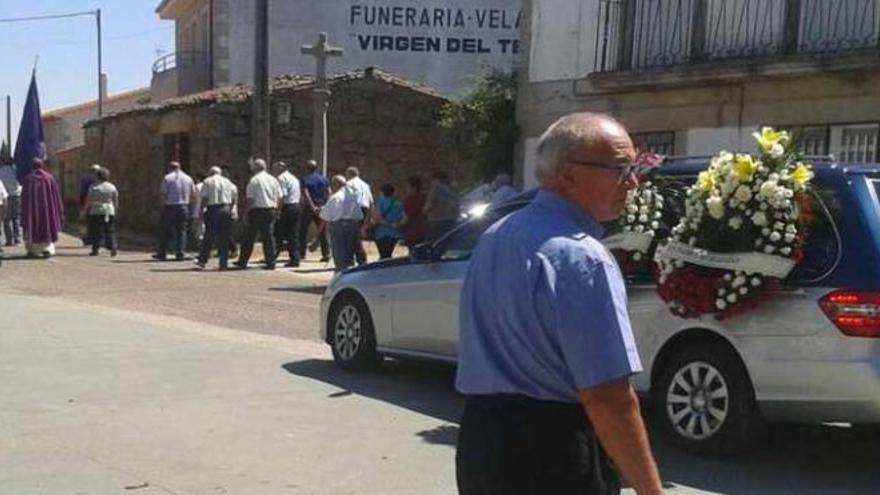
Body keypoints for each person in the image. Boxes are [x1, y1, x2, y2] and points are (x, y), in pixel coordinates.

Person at [455, 112, 663, 495]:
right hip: (551, 451)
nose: (633, 182)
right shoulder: (582, 257)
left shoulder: (498, 235)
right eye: (620, 168)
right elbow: (608, 397)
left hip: (482, 441)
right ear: (568, 175)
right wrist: (651, 491)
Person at [235, 158, 283, 270]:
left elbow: (250, 199)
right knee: (269, 238)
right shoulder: (273, 180)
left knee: (249, 237)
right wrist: (277, 210)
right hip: (270, 209)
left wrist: (245, 213)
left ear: (256, 168)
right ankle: (271, 261)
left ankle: (243, 261)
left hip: (257, 211)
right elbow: (280, 197)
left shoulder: (254, 180)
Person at [313, 175, 363, 271]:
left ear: (336, 184)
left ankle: (341, 273)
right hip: (352, 225)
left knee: (339, 253)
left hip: (338, 226)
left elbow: (325, 218)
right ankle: (349, 271)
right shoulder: (353, 197)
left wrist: (317, 236)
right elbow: (359, 215)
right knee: (349, 253)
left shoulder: (335, 197)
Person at [195, 166, 238, 270]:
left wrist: (201, 212)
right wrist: (231, 209)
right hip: (226, 208)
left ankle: (203, 260)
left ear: (210, 173)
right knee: (224, 236)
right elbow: (234, 198)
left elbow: (205, 198)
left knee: (209, 236)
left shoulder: (207, 181)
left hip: (213, 209)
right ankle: (223, 263)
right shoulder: (228, 182)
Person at [21, 158, 64, 258]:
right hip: (47, 211)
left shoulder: (28, 179)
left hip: (32, 212)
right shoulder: (49, 178)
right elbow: (56, 196)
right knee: (47, 227)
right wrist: (57, 209)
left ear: (32, 166)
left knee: (32, 227)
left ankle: (33, 251)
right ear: (42, 166)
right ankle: (47, 250)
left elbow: (24, 198)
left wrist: (24, 211)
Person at [153, 161, 195, 261]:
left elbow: (163, 194)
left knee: (164, 230)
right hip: (184, 206)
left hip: (170, 206)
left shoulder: (167, 178)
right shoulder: (188, 178)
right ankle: (180, 252)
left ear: (169, 168)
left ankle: (162, 253)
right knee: (181, 231)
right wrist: (189, 205)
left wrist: (162, 206)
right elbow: (193, 194)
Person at [299, 160, 331, 262]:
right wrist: (326, 206)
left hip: (309, 208)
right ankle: (326, 254)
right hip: (322, 207)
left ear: (307, 169)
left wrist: (312, 206)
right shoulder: (324, 179)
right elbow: (329, 192)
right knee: (322, 230)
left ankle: (301, 253)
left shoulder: (305, 179)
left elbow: (306, 193)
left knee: (303, 230)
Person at [84, 167, 119, 257]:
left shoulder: (94, 186)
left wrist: (85, 209)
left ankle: (95, 249)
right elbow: (115, 200)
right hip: (109, 210)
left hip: (96, 210)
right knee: (109, 230)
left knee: (96, 231)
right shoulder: (112, 186)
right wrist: (114, 209)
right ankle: (113, 246)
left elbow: (89, 199)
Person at [274, 161, 302, 268]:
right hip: (296, 206)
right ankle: (295, 258)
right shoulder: (294, 178)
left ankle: (272, 256)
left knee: (279, 233)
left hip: (287, 207)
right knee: (293, 234)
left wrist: (278, 210)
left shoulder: (281, 178)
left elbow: (282, 195)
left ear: (280, 168)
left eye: (275, 168)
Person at [344, 166, 373, 265]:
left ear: (349, 174)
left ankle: (357, 259)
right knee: (357, 236)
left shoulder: (349, 184)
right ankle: (360, 259)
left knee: (351, 237)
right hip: (364, 210)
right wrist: (368, 219)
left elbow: (346, 200)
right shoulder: (365, 185)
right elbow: (370, 202)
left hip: (354, 210)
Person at [423, 170, 459, 241]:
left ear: (436, 179)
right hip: (451, 220)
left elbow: (430, 204)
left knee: (435, 242)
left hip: (437, 221)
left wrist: (424, 210)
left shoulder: (436, 188)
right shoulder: (450, 189)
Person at [373, 183, 405, 259]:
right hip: (395, 234)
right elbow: (405, 218)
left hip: (382, 234)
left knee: (383, 256)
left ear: (382, 192)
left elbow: (378, 218)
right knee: (388, 254)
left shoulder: (380, 202)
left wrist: (389, 224)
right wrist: (397, 225)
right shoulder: (398, 203)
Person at [400, 176, 428, 252]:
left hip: (412, 233)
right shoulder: (426, 198)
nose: (406, 189)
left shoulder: (409, 199)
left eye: (408, 187)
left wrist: (399, 226)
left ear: (414, 187)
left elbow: (406, 218)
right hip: (425, 231)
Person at [0, 159, 22, 246]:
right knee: (16, 217)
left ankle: (10, 239)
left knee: (7, 219)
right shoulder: (16, 170)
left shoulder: (1, 171)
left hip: (7, 197)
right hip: (17, 195)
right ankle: (17, 238)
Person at [190, 172, 207, 250]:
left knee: (198, 230)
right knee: (204, 229)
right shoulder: (207, 186)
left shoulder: (197, 187)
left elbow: (193, 199)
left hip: (197, 210)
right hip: (207, 210)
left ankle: (200, 248)